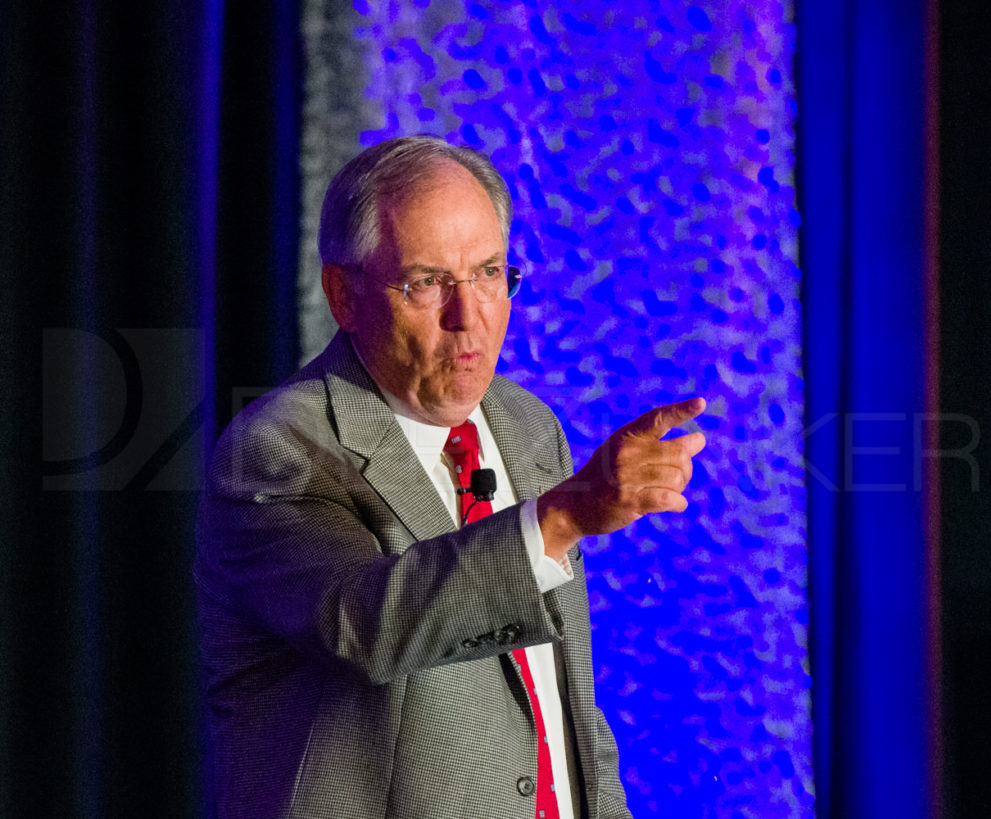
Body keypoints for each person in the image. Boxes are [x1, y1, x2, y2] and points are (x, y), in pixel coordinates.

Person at [195, 135, 706, 819]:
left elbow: (563, 706)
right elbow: (370, 625)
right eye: (428, 283)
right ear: (343, 295)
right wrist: (562, 518)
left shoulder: (527, 426)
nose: (470, 318)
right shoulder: (277, 448)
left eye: (490, 273)